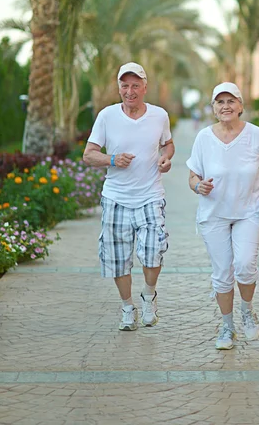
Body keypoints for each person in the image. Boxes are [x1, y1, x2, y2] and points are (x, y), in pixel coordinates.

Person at [83, 62, 174, 331]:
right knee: (117, 257)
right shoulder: (107, 116)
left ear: (145, 87)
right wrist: (112, 159)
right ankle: (127, 308)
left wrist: (166, 158)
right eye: (125, 85)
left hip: (150, 196)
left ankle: (149, 296)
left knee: (153, 251)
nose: (130, 90)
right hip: (116, 198)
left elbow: (167, 144)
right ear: (118, 87)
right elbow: (89, 154)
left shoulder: (159, 116)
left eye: (135, 85)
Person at [186, 82, 259, 350]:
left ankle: (247, 310)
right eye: (220, 102)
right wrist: (197, 186)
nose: (226, 106)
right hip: (214, 215)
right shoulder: (203, 138)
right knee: (222, 274)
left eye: (231, 101)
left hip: (249, 212)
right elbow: (193, 176)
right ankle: (227, 326)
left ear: (241, 106)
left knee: (245, 266)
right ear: (213, 109)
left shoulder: (256, 135)